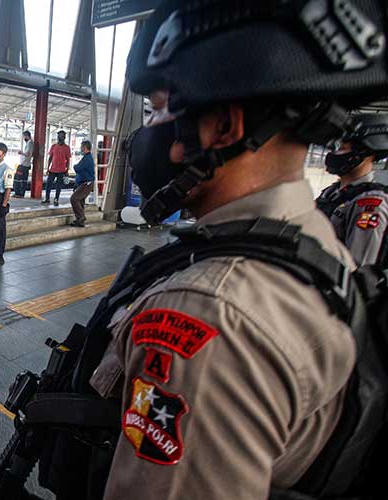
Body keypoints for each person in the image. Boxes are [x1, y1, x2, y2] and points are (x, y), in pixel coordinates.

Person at [81, 2, 388, 499]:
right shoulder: (311, 240)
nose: (147, 131)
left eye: (159, 108)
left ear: (222, 126)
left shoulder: (207, 316)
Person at [316, 113, 388, 266]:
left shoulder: (369, 203)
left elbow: (357, 266)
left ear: (366, 152)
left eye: (342, 148)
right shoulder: (331, 193)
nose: (333, 154)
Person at [70, 140, 95, 227]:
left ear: (84, 147)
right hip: (85, 183)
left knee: (74, 198)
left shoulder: (87, 158)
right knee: (80, 200)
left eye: (81, 147)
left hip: (86, 184)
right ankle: (80, 221)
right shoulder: (87, 157)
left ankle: (81, 217)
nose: (80, 148)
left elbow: (78, 168)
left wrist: (74, 166)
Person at [43, 130, 70, 206]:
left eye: (62, 136)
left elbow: (68, 160)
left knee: (59, 186)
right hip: (52, 169)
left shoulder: (67, 148)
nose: (60, 137)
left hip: (61, 170)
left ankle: (56, 199)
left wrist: (67, 170)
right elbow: (50, 158)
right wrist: (48, 168)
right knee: (48, 184)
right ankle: (47, 198)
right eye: (59, 136)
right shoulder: (53, 146)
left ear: (64, 137)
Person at [14, 131, 33, 198]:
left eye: (24, 136)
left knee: (19, 179)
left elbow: (28, 154)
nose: (23, 138)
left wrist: (21, 152)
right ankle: (19, 193)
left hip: (24, 165)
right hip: (25, 164)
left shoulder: (30, 143)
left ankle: (19, 193)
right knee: (21, 179)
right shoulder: (29, 143)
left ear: (26, 136)